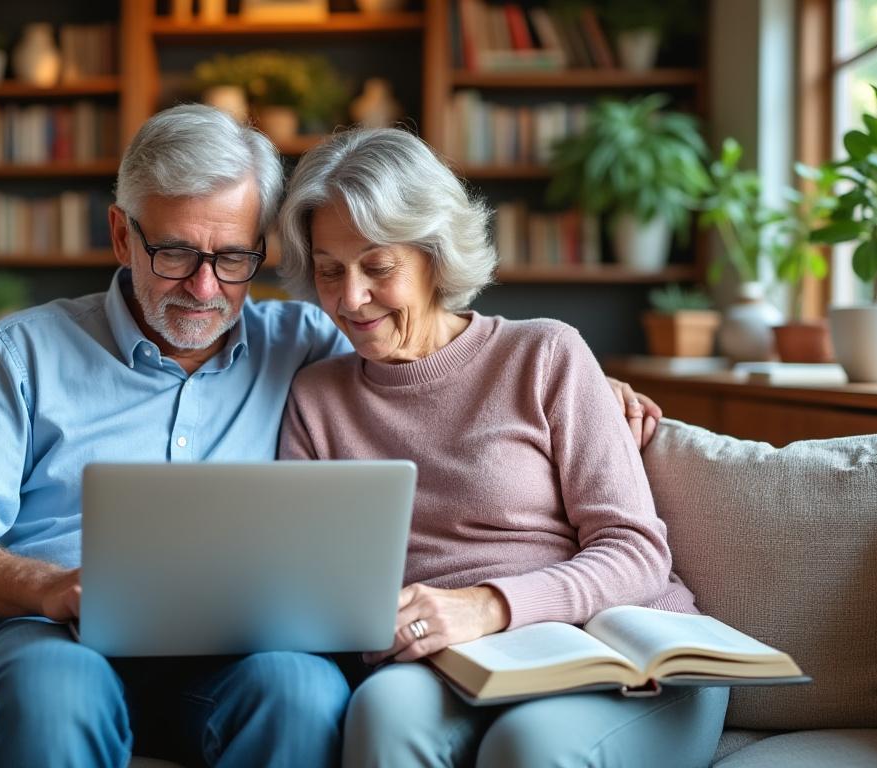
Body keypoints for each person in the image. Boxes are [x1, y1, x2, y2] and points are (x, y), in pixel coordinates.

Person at [0, 105, 662, 767]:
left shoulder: (314, 342)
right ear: (122, 237)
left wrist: (595, 390)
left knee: (301, 691)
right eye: (175, 253)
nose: (205, 287)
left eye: (231, 258)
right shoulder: (25, 351)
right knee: (55, 695)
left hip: (233, 653)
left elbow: (436, 352)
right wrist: (47, 587)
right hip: (50, 636)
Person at [275, 127, 728, 768]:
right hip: (454, 658)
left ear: (433, 256)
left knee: (532, 746)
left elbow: (637, 552)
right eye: (329, 272)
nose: (350, 299)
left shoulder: (544, 354)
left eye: (378, 268)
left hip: (621, 642)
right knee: (382, 714)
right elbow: (317, 583)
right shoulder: (318, 398)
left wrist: (490, 606)